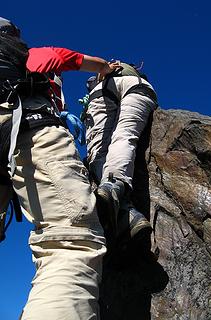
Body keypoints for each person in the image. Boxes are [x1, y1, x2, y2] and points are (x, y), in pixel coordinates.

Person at [0, 17, 119, 320]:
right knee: (72, 239)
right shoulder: (29, 55)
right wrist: (108, 68)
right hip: (28, 131)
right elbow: (79, 60)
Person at [84, 62, 158, 244]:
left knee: (98, 152)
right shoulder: (133, 72)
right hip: (139, 87)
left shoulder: (103, 72)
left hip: (102, 90)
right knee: (125, 135)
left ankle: (123, 207)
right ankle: (118, 195)